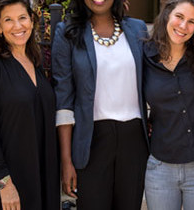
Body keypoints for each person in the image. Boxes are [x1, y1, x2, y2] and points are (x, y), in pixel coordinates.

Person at [51, 0, 149, 209]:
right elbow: (64, 99)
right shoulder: (67, 32)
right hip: (91, 141)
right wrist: (66, 161)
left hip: (134, 141)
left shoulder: (137, 28)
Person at [143, 0, 194, 209]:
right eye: (179, 17)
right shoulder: (144, 56)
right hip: (161, 167)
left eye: (191, 22)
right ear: (167, 16)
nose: (183, 26)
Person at [0, 0, 60, 210]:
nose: (18, 26)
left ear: (32, 20)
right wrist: (3, 183)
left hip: (44, 175)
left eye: (22, 18)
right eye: (8, 20)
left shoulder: (37, 63)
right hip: (11, 182)